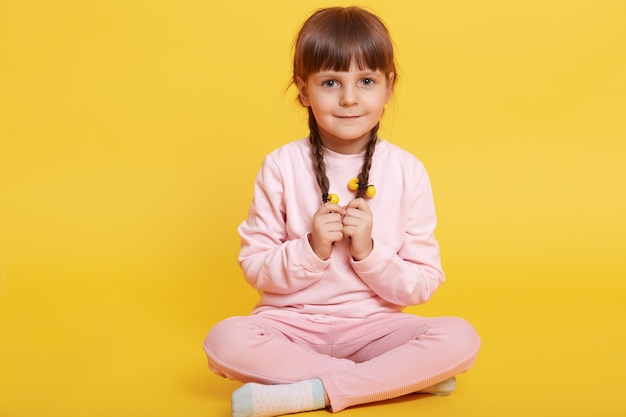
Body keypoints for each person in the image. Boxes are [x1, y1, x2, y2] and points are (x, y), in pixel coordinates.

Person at [203, 6, 480, 417]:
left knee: (460, 337)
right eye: (330, 82)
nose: (349, 98)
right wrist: (311, 248)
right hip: (291, 328)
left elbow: (422, 284)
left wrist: (369, 251)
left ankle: (312, 392)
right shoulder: (280, 166)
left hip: (376, 328)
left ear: (388, 87)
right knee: (224, 339)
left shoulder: (407, 170)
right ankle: (390, 380)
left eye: (366, 81)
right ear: (303, 90)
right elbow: (254, 267)